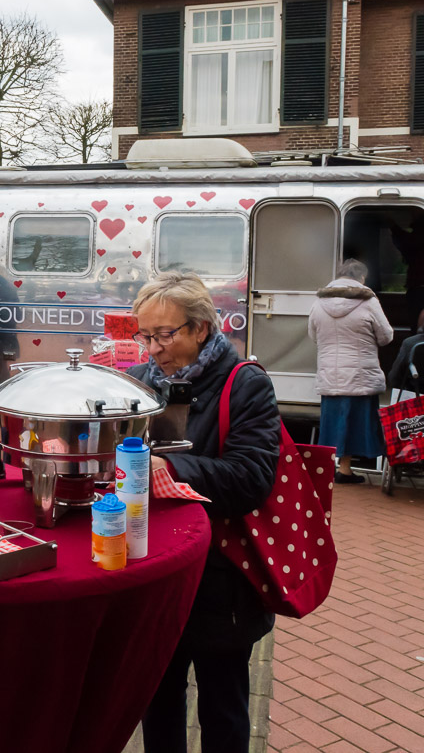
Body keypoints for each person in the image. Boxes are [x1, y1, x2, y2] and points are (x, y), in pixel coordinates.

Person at [126, 272, 280, 753]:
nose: (153, 349)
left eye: (164, 335)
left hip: (221, 578)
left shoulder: (245, 384)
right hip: (155, 571)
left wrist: (168, 467)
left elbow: (252, 478)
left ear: (201, 328)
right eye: (145, 336)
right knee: (157, 702)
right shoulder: (141, 381)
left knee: (223, 707)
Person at [308, 258, 394, 484]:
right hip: (360, 375)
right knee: (356, 424)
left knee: (334, 423)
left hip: (331, 374)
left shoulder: (320, 301)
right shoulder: (368, 300)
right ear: (361, 278)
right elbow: (386, 336)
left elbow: (313, 335)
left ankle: (332, 471)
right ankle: (345, 469)